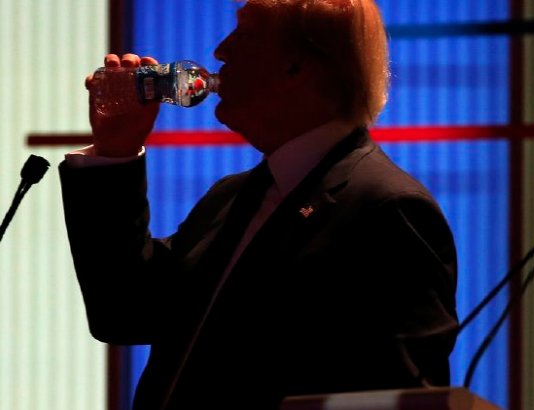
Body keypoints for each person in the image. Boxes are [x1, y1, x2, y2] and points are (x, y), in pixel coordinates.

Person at [59, 0, 459, 408]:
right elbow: (125, 311)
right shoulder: (232, 195)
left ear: (296, 67)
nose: (220, 50)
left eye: (246, 34)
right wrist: (116, 151)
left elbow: (400, 397)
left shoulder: (387, 210)